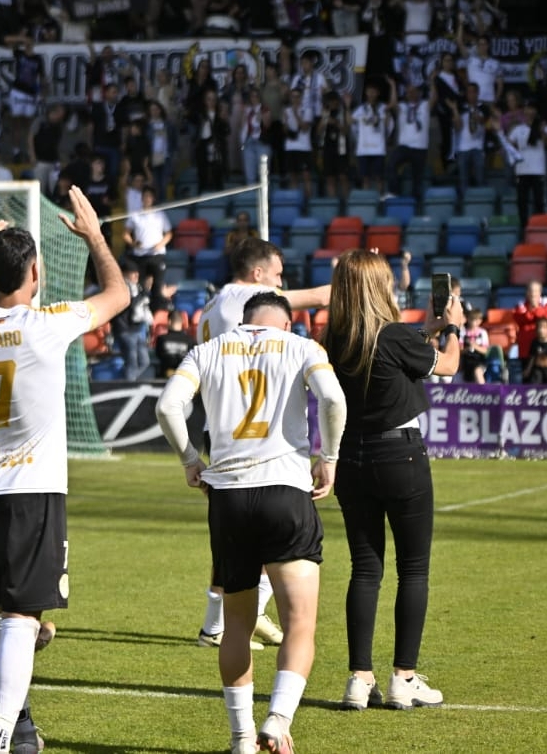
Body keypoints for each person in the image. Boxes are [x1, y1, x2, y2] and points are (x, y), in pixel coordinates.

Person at [0, 180, 129, 754]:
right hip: (33, 489)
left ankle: (18, 730)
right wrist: (94, 234)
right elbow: (117, 293)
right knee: (22, 616)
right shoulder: (50, 323)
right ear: (36, 273)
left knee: (6, 613)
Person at [153, 291, 347, 754]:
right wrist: (329, 458)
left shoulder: (207, 349)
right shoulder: (301, 345)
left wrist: (188, 460)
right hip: (285, 491)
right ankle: (277, 721)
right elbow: (334, 400)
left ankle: (241, 738)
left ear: (244, 321)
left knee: (237, 625)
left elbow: (167, 407)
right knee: (298, 623)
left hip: (229, 498)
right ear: (284, 321)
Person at [323, 249, 462, 711]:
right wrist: (454, 327)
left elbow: (391, 347)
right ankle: (404, 676)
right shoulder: (395, 336)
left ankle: (359, 678)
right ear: (379, 288)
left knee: (365, 569)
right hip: (399, 455)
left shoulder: (333, 340)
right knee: (413, 568)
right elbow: (447, 365)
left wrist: (429, 329)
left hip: (351, 458)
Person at [123, 188, 171, 309]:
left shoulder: (160, 215)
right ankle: (141, 309)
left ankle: (157, 310)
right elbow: (126, 234)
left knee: (158, 285)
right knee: (140, 286)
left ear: (153, 199)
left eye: (149, 196)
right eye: (145, 196)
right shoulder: (135, 215)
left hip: (157, 254)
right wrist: (133, 243)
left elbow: (169, 233)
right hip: (140, 255)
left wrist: (161, 244)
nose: (147, 199)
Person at [154, 311, 194, 377]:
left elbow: (159, 356)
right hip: (184, 378)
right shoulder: (190, 340)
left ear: (169, 321)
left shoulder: (161, 339)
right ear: (182, 322)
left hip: (164, 380)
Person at [522, 319, 547, 384]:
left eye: (544, 328)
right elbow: (532, 357)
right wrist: (528, 370)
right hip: (537, 370)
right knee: (535, 379)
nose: (541, 330)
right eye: (539, 327)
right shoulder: (535, 342)